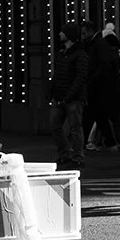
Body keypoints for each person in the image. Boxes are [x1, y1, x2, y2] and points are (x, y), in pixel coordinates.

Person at [47, 22, 93, 169]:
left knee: (75, 128)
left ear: (69, 35)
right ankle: (65, 153)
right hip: (60, 96)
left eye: (63, 32)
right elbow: (57, 75)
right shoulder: (63, 53)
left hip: (73, 99)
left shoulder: (80, 55)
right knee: (55, 126)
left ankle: (77, 156)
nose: (59, 34)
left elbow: (81, 78)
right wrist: (52, 92)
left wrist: (68, 95)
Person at [86, 22, 120, 150]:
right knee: (113, 116)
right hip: (114, 87)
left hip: (106, 88)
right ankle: (119, 140)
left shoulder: (105, 52)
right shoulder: (116, 54)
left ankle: (100, 141)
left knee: (102, 115)